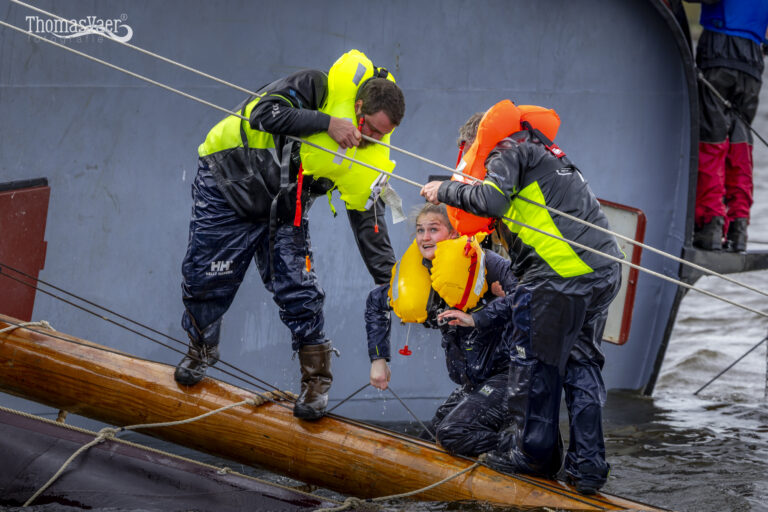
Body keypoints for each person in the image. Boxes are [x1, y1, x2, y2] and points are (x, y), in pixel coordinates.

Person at [175, 49, 406, 422]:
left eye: (382, 135)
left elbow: (368, 223)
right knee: (204, 278)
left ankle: (316, 382)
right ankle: (202, 346)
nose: (371, 139)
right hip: (227, 182)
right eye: (369, 128)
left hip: (283, 206)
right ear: (358, 105)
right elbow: (263, 113)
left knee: (300, 289)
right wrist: (327, 123)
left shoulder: (370, 151)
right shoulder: (315, 85)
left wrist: (393, 283)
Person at [421, 100, 623, 494]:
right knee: (582, 367)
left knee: (534, 365)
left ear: (476, 142)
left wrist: (442, 189)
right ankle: (588, 469)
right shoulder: (543, 152)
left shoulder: (506, 150)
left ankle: (531, 455)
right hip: (602, 270)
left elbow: (492, 200)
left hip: (561, 276)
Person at [366, 203, 519, 456]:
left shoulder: (487, 264)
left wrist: (477, 318)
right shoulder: (422, 273)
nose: (425, 238)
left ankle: (520, 449)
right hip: (474, 382)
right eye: (420, 230)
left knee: (452, 433)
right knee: (433, 433)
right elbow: (375, 303)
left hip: (508, 378)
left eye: (433, 230)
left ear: (453, 233)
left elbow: (525, 298)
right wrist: (378, 359)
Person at [689, 0, 768, 251]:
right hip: (753, 58)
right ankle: (739, 227)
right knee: (740, 144)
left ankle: (710, 225)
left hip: (720, 46)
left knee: (711, 139)